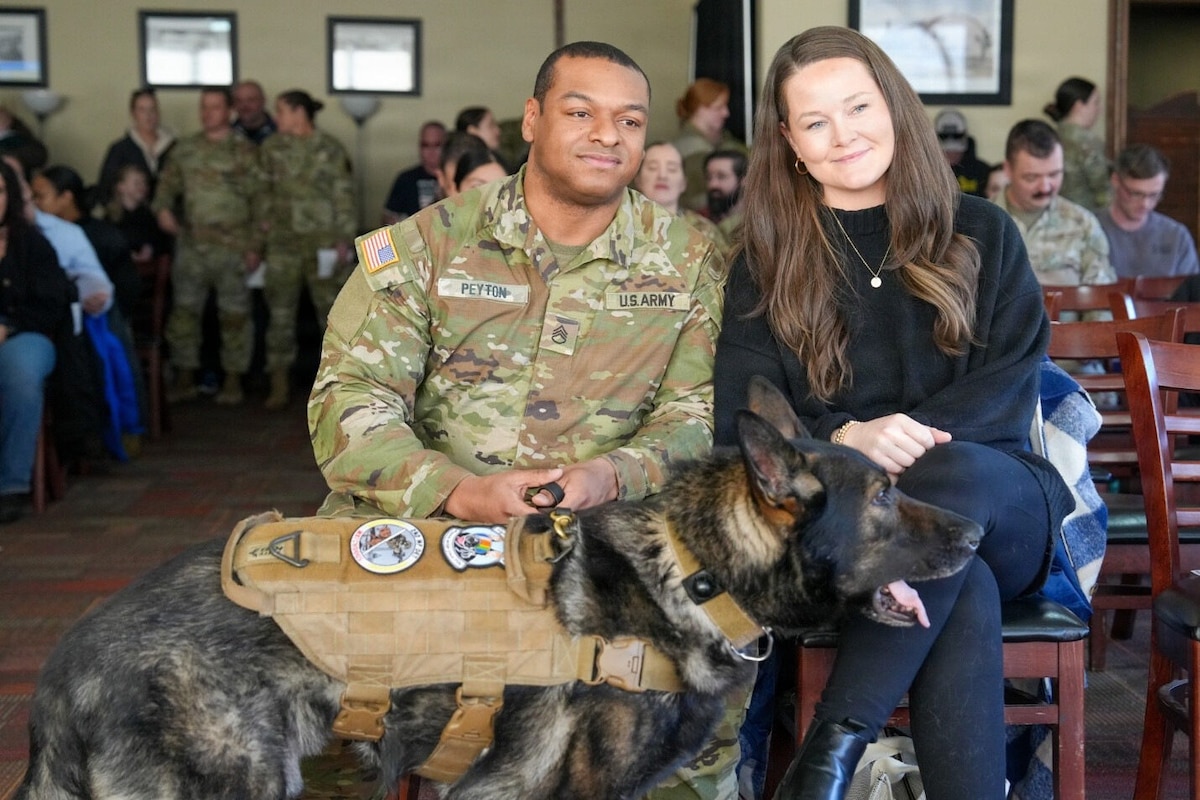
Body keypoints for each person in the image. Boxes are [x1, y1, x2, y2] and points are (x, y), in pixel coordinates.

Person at [309, 40, 733, 799]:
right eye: (581, 112)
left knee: (693, 719)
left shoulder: (692, 258)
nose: (608, 135)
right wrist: (459, 490)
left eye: (630, 121)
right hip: (430, 534)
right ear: (532, 120)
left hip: (608, 545)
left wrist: (609, 475)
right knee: (321, 719)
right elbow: (351, 400)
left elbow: (693, 416)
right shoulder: (425, 245)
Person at [714, 27, 1071, 800]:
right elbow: (741, 421)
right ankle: (843, 759)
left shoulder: (982, 230)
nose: (843, 135)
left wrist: (889, 455)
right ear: (789, 141)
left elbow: (1009, 384)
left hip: (998, 497)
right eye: (815, 122)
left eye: (858, 107)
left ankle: (830, 744)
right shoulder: (764, 261)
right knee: (959, 580)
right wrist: (848, 438)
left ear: (894, 108)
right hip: (852, 534)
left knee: (953, 476)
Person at [152, 87, 266, 406]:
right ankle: (185, 377)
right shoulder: (185, 149)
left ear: (229, 111)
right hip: (193, 246)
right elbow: (165, 188)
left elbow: (262, 202)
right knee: (185, 313)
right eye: (204, 107)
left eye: (215, 107)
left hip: (233, 246)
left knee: (235, 316)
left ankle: (233, 380)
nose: (207, 113)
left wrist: (255, 246)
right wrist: (162, 211)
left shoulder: (246, 151)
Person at [259, 89, 356, 410]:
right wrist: (261, 231)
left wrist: (344, 239)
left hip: (323, 244)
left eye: (281, 111)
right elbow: (261, 192)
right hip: (283, 245)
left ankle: (339, 385)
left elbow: (343, 196)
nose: (276, 118)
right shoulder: (272, 148)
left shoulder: (330, 148)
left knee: (333, 317)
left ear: (299, 113)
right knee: (279, 315)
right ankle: (279, 384)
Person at [0, 158, 72, 523]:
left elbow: (51, 304)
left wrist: (8, 327)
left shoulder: (31, 243)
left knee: (21, 374)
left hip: (25, 334)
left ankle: (11, 485)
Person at [995, 119, 1115, 286]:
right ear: (1008, 170)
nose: (1045, 187)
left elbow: (1100, 296)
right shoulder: (980, 223)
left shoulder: (1083, 224)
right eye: (1032, 177)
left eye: (1054, 174)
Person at [1097, 143, 1199, 278]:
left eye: (1154, 195)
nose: (1145, 204)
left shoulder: (1176, 237)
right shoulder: (1088, 229)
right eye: (1135, 194)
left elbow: (1192, 289)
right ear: (1115, 180)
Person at [633, 140, 727, 252]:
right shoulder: (623, 223)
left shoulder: (703, 231)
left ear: (683, 183)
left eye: (672, 169)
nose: (662, 175)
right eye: (653, 168)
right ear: (638, 180)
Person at [672, 78, 750, 213]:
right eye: (718, 108)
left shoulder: (723, 140)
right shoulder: (690, 149)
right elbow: (700, 201)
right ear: (699, 109)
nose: (726, 113)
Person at [96, 88, 175, 209]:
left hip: (168, 215)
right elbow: (105, 189)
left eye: (152, 109)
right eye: (142, 110)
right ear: (133, 114)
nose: (148, 115)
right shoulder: (120, 149)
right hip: (129, 216)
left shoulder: (174, 147)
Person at [1043, 76, 1110, 212]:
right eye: (1095, 103)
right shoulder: (1088, 143)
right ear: (1079, 106)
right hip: (1084, 216)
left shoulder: (1047, 137)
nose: (1099, 109)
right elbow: (1103, 190)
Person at [104, 163, 171, 264]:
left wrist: (150, 249)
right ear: (121, 187)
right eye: (137, 183)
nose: (142, 187)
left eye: (144, 183)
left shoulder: (150, 216)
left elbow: (163, 243)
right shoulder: (110, 218)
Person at [382, 120, 446, 224]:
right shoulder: (405, 179)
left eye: (437, 145)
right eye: (425, 145)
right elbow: (388, 217)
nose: (431, 151)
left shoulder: (455, 177)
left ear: (447, 146)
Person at [934, 108, 991, 198]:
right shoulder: (928, 172)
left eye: (955, 151)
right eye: (947, 151)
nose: (951, 153)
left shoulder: (983, 172)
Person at [703, 148, 747, 245]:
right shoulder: (699, 219)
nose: (713, 184)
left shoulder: (753, 223)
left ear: (743, 180)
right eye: (709, 177)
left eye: (721, 177)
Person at [232, 80, 277, 144]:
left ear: (263, 101)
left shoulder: (279, 131)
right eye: (239, 101)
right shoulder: (227, 133)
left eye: (251, 100)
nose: (244, 106)